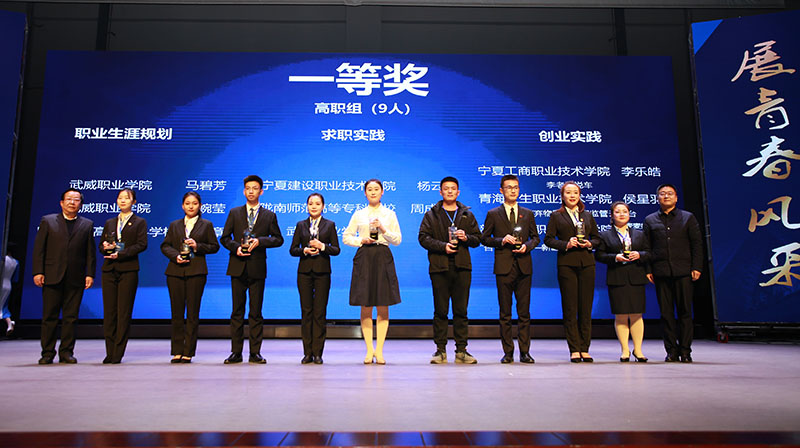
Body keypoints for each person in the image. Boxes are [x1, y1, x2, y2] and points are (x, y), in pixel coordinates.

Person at [220, 175, 283, 365]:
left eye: (255, 188)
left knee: (256, 312)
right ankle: (236, 352)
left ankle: (255, 352)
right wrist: (236, 248)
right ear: (244, 191)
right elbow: (224, 238)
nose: (251, 191)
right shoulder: (234, 213)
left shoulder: (269, 215)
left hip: (257, 267)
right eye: (248, 188)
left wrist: (260, 241)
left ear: (261, 191)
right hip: (237, 266)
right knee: (236, 312)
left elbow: (278, 239)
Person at [418, 176, 481, 364]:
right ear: (441, 192)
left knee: (461, 310)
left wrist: (466, 237)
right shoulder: (432, 214)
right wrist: (443, 246)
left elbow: (478, 239)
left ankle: (462, 350)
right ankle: (440, 351)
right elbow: (423, 238)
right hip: (439, 267)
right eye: (446, 188)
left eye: (453, 188)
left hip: (462, 267)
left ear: (458, 192)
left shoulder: (467, 214)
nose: (450, 191)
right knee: (441, 311)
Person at [31, 188, 96, 364]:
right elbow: (39, 249)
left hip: (76, 277)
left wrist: (90, 274)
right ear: (62, 203)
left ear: (81, 204)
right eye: (69, 199)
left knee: (71, 318)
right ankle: (47, 353)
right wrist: (38, 271)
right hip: (51, 275)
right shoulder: (48, 221)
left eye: (76, 200)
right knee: (49, 317)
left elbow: (90, 253)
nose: (72, 203)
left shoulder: (87, 224)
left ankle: (66, 352)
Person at [481, 174, 539, 364]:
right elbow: (484, 238)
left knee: (524, 313)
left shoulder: (528, 213)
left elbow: (536, 238)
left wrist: (527, 247)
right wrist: (501, 240)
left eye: (515, 187)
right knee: (505, 313)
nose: (512, 191)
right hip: (503, 267)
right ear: (501, 191)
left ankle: (525, 352)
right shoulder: (493, 214)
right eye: (508, 187)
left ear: (519, 190)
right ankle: (508, 352)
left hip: (524, 266)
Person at [343, 179, 401, 365]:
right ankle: (369, 350)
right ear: (365, 193)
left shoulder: (389, 214)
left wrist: (383, 229)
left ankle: (380, 351)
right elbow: (346, 237)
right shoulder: (359, 214)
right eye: (369, 189)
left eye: (376, 189)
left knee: (383, 305)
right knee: (365, 305)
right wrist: (361, 240)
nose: (373, 192)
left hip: (383, 256)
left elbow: (397, 239)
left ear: (382, 192)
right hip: (365, 257)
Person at [643, 184, 703, 363]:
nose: (666, 196)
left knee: (685, 312)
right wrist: (648, 269)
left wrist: (697, 267)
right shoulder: (650, 220)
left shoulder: (688, 218)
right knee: (666, 314)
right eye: (662, 194)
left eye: (670, 194)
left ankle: (685, 351)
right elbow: (647, 247)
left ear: (676, 198)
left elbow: (697, 244)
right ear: (657, 198)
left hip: (684, 271)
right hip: (661, 272)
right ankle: (671, 351)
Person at [544, 181, 600, 363]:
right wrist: (566, 244)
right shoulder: (556, 216)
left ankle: (585, 348)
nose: (572, 195)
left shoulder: (588, 215)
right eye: (568, 192)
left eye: (575, 192)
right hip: (567, 264)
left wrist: (590, 243)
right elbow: (548, 239)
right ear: (562, 196)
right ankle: (574, 348)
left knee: (586, 307)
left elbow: (598, 239)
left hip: (587, 264)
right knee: (570, 308)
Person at [161, 191, 220, 363]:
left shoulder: (206, 225)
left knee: (193, 313)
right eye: (187, 203)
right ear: (182, 206)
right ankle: (177, 350)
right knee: (177, 313)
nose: (191, 206)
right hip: (175, 271)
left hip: (196, 272)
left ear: (200, 206)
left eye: (194, 203)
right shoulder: (174, 225)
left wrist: (197, 246)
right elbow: (165, 246)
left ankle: (188, 351)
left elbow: (214, 246)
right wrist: (175, 256)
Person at [595, 201, 650, 362]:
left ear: (629, 214)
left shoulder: (639, 234)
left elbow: (649, 253)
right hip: (617, 277)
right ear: (612, 215)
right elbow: (599, 255)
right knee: (621, 315)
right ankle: (625, 350)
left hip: (636, 277)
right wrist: (615, 258)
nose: (621, 214)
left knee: (637, 314)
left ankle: (638, 350)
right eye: (617, 212)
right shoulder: (605, 235)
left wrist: (639, 255)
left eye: (624, 211)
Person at [289, 193, 340, 365]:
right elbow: (292, 249)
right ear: (307, 206)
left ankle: (318, 353)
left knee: (319, 312)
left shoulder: (329, 225)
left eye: (317, 203)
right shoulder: (301, 225)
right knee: (306, 312)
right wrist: (304, 250)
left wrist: (322, 246)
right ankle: (307, 353)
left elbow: (336, 249)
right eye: (311, 203)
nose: (314, 206)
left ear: (323, 206)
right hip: (304, 272)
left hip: (322, 273)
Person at [98, 188, 148, 364]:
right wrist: (105, 247)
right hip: (109, 270)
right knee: (109, 312)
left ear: (134, 202)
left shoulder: (139, 222)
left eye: (127, 198)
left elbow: (142, 245)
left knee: (123, 312)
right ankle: (109, 351)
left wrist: (121, 254)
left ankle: (118, 352)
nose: (123, 201)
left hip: (128, 269)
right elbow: (101, 245)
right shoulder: (110, 222)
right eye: (120, 198)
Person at [1, 243, 19, 337]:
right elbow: (15, 278)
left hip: (1, 283)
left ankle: (9, 323)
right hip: (8, 285)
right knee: (3, 305)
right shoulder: (16, 262)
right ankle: (9, 323)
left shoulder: (3, 260)